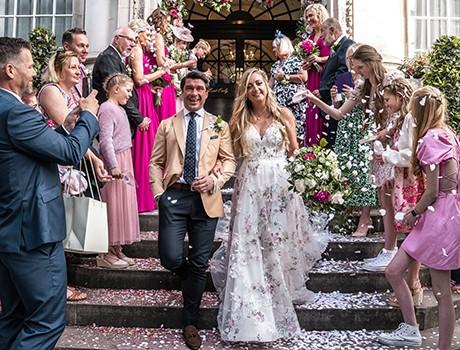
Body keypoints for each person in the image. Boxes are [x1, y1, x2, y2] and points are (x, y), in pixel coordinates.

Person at [0, 37, 99, 350]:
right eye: (30, 66)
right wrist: (89, 116)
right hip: (32, 233)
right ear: (10, 70)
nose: (34, 73)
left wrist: (66, 124)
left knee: (14, 317)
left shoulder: (8, 111)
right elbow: (70, 152)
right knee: (47, 321)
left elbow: (33, 148)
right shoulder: (15, 112)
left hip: (10, 232)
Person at [216, 68, 327, 342]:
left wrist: (313, 175)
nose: (255, 89)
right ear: (245, 91)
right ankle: (252, 294)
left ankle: (280, 289)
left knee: (278, 239)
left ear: (267, 85)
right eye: (250, 85)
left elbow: (295, 151)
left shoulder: (284, 115)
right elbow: (227, 153)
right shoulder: (239, 120)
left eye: (259, 83)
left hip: (280, 186)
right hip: (250, 185)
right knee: (252, 241)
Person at [149, 70, 236, 350]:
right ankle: (192, 277)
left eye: (199, 88)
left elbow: (229, 161)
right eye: (189, 88)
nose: (194, 93)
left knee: (199, 264)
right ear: (182, 91)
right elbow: (155, 162)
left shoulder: (219, 125)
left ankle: (190, 322)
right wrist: (159, 194)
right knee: (170, 258)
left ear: (206, 93)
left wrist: (215, 179)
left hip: (206, 199)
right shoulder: (167, 124)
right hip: (174, 197)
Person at [378, 86, 460, 350]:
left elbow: (435, 190)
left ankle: (443, 348)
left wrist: (413, 213)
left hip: (440, 219)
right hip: (441, 216)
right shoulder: (448, 134)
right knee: (393, 271)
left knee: (441, 291)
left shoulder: (432, 139)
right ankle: (411, 329)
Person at [329, 43, 378, 237]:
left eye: (355, 61)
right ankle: (348, 214)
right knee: (345, 171)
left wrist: (356, 96)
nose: (353, 67)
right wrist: (335, 98)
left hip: (363, 128)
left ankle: (365, 218)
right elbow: (339, 109)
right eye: (349, 60)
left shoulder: (368, 81)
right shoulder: (346, 78)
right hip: (345, 129)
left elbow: (372, 107)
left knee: (364, 173)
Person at [97, 73, 140, 268]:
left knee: (122, 205)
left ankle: (116, 249)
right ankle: (105, 252)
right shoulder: (106, 109)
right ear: (115, 89)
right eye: (128, 90)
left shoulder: (118, 109)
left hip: (124, 158)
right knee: (113, 205)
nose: (130, 95)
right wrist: (113, 165)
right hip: (115, 161)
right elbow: (105, 140)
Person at [128, 19, 168, 213]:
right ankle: (141, 197)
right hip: (141, 98)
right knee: (145, 145)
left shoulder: (141, 50)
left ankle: (148, 194)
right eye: (145, 33)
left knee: (151, 145)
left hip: (146, 95)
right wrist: (160, 72)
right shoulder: (136, 50)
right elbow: (139, 78)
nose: (147, 37)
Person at [92, 26, 150, 136]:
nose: (133, 44)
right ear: (117, 39)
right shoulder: (108, 58)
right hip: (113, 118)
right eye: (129, 39)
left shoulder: (114, 57)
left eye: (134, 41)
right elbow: (118, 92)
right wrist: (139, 119)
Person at [316, 17, 354, 146]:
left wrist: (323, 91)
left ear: (332, 30)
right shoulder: (337, 48)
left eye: (323, 31)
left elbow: (342, 72)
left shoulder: (347, 45)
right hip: (333, 99)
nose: (320, 36)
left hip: (339, 100)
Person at [269, 32, 308, 142]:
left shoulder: (296, 60)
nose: (273, 50)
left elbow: (304, 77)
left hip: (295, 103)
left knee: (296, 132)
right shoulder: (275, 65)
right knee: (282, 132)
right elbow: (270, 84)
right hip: (279, 104)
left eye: (274, 47)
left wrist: (285, 76)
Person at [302, 3, 331, 145]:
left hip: (325, 76)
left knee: (321, 108)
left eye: (311, 15)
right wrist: (308, 64)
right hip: (313, 76)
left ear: (320, 14)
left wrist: (319, 59)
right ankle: (312, 145)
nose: (308, 19)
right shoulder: (311, 36)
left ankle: (322, 146)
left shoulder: (329, 32)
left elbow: (337, 56)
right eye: (307, 17)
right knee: (311, 108)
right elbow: (311, 58)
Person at [147, 8, 177, 121]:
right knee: (165, 116)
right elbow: (160, 61)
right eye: (167, 22)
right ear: (161, 21)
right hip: (161, 77)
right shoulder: (158, 36)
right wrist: (171, 63)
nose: (168, 25)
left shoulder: (152, 35)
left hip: (157, 74)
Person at [62, 27, 90, 99]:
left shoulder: (83, 69)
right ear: (66, 46)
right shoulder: (55, 70)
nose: (85, 50)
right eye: (81, 46)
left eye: (87, 46)